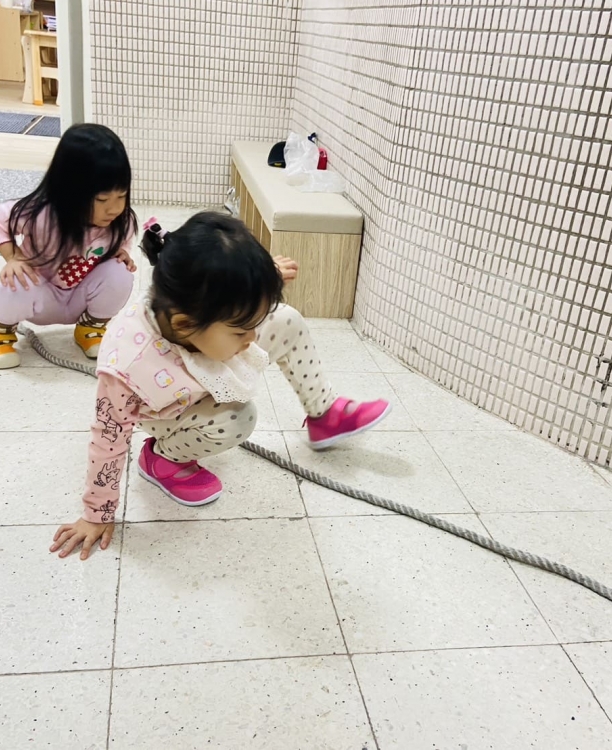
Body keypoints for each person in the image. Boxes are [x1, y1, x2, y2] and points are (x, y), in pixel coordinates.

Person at [51, 212, 391, 559]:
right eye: (242, 329)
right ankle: (163, 459)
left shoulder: (200, 308)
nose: (253, 338)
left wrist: (260, 280)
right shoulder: (128, 366)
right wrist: (96, 514)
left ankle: (324, 412)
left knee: (286, 319)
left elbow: (224, 291)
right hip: (167, 408)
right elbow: (108, 439)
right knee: (237, 417)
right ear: (184, 325)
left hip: (204, 355)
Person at [0, 123, 137, 369]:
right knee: (16, 279)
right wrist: (14, 258)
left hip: (78, 297)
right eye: (102, 199)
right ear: (69, 191)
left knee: (120, 272)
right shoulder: (40, 214)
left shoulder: (119, 220)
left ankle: (90, 329)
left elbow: (124, 238)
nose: (114, 208)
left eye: (122, 196)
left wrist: (121, 252)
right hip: (39, 294)